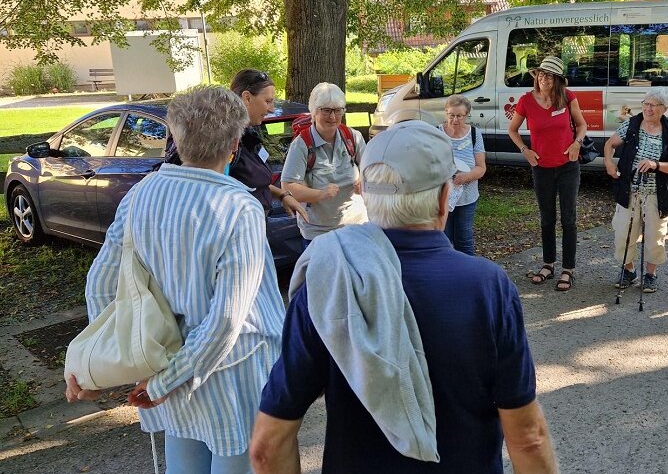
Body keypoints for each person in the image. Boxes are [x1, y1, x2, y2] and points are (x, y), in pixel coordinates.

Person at [250, 120, 558, 474]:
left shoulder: (328, 280)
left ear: (364, 193)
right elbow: (528, 437)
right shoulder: (487, 286)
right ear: (445, 198)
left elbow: (267, 446)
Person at [66, 85, 286, 474]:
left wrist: (124, 360)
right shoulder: (238, 207)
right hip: (235, 375)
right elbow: (227, 321)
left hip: (165, 364)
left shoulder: (140, 195)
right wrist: (165, 381)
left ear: (176, 137)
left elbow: (101, 282)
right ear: (235, 144)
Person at [507, 55, 587, 291]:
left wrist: (577, 144)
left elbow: (582, 125)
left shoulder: (567, 98)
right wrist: (525, 150)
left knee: (569, 218)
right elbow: (512, 130)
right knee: (546, 218)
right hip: (541, 167)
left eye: (549, 75)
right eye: (541, 74)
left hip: (567, 167)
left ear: (558, 80)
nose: (544, 78)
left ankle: (568, 269)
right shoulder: (526, 101)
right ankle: (548, 264)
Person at [603, 88, 668, 294]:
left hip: (657, 193)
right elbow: (610, 144)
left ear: (663, 109)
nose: (647, 108)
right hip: (629, 190)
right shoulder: (632, 124)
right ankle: (629, 271)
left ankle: (650, 275)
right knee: (623, 233)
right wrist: (609, 163)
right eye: (645, 103)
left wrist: (656, 164)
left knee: (655, 236)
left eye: (653, 105)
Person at [281, 82, 367, 244]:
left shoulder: (353, 137)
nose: (333, 117)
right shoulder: (302, 144)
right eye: (326, 111)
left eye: (337, 110)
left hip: (356, 225)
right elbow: (288, 188)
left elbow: (371, 171)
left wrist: (364, 181)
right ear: (313, 112)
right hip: (318, 232)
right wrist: (320, 194)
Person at [440, 94, 486, 255]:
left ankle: (468, 275)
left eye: (459, 116)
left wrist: (464, 177)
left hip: (467, 196)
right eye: (451, 115)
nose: (454, 120)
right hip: (441, 197)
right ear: (446, 113)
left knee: (464, 240)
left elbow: (481, 168)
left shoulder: (474, 134)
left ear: (467, 115)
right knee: (443, 239)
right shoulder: (437, 133)